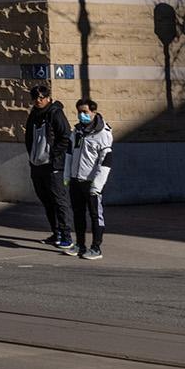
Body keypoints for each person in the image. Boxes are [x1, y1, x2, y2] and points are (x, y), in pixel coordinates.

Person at [24, 83, 74, 252]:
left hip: (53, 165)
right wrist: (32, 156)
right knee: (46, 200)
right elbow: (29, 137)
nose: (38, 100)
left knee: (59, 200)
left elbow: (65, 137)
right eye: (35, 98)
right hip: (37, 164)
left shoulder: (55, 113)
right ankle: (56, 232)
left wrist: (53, 156)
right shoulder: (34, 114)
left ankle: (66, 236)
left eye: (41, 97)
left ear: (48, 98)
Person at [67, 99, 113, 261]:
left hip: (92, 183)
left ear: (93, 112)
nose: (82, 115)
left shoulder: (103, 133)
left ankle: (96, 248)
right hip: (76, 180)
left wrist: (97, 185)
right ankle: (80, 244)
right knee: (78, 213)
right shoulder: (77, 131)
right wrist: (67, 176)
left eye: (85, 112)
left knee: (95, 215)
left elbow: (106, 161)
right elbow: (69, 155)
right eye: (79, 112)